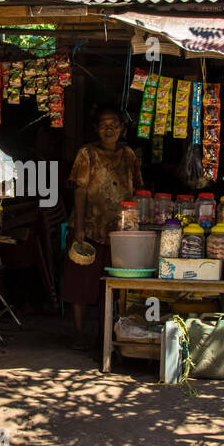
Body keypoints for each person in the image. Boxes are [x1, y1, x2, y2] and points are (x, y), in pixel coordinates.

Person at [64, 107, 143, 347]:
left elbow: (137, 189)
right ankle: (78, 332)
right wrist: (79, 227)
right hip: (88, 226)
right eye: (103, 124)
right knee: (81, 282)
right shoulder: (87, 153)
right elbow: (79, 189)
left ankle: (105, 333)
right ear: (96, 129)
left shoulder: (128, 154)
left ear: (121, 128)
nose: (109, 129)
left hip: (120, 231)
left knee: (110, 284)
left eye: (114, 124)